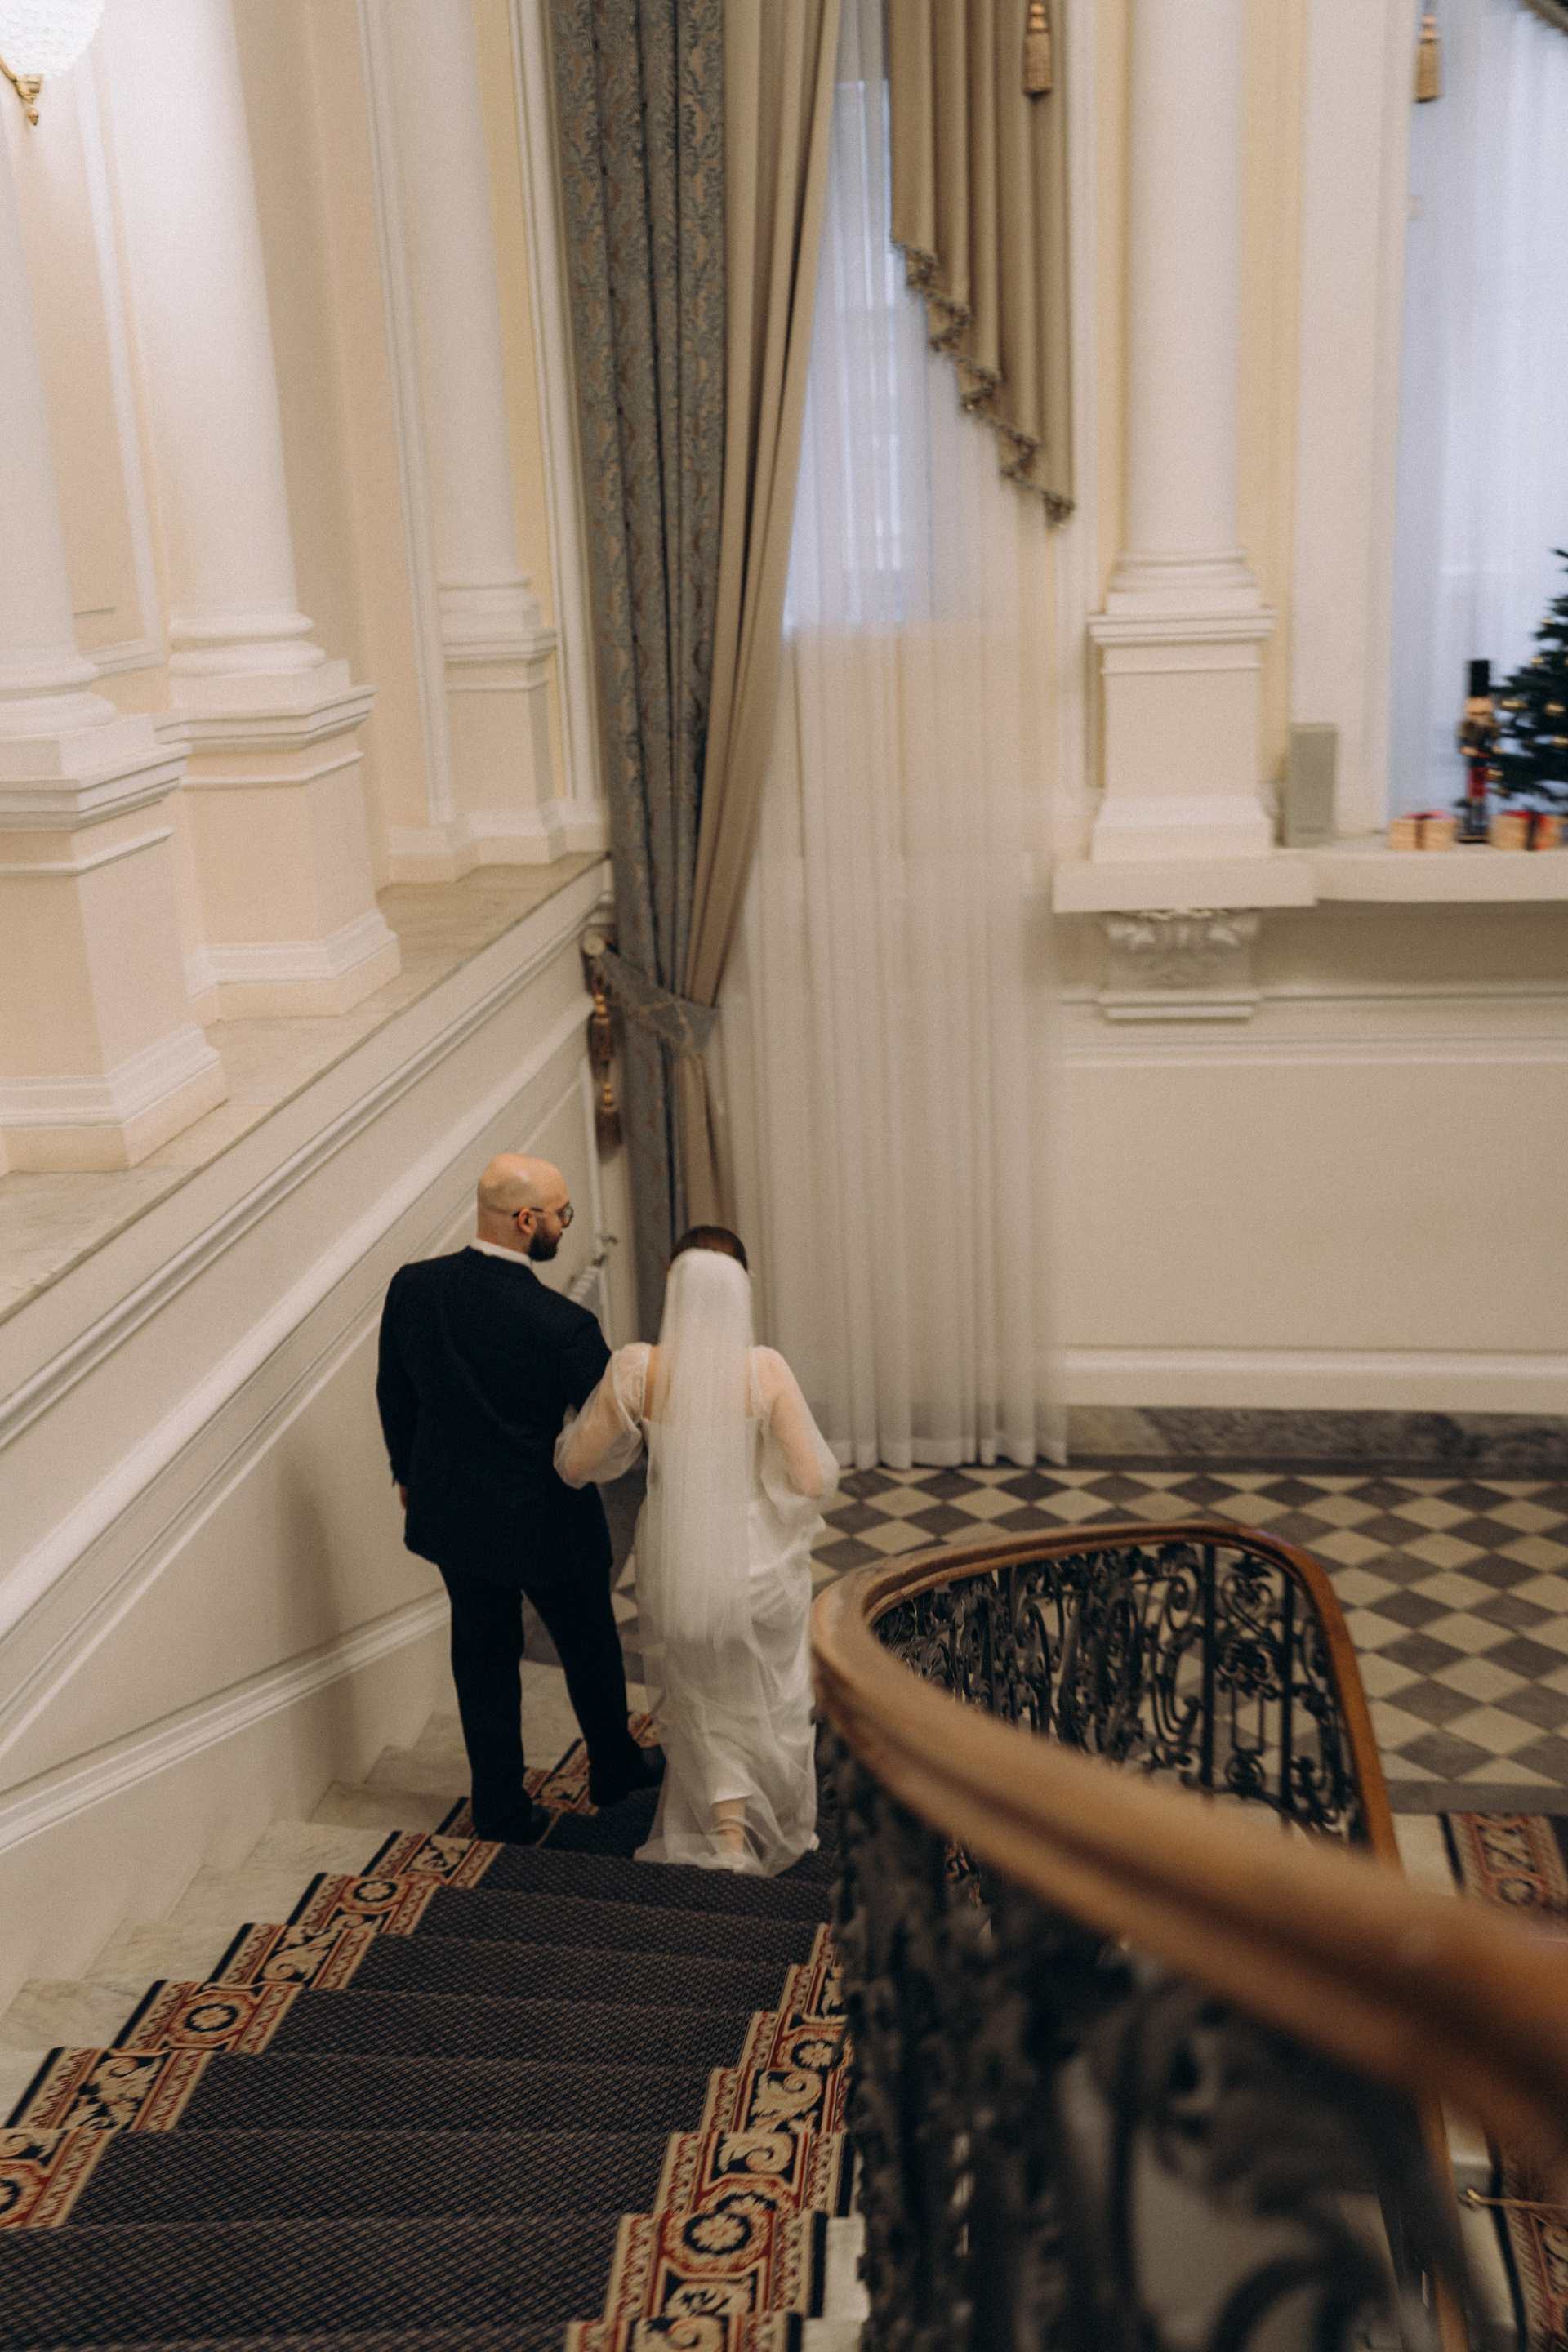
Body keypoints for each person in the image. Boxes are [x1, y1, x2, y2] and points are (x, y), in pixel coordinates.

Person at [376, 1153, 661, 1844]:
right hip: (547, 1518)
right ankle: (614, 1766)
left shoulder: (414, 1286)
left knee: (482, 1656)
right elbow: (604, 1428)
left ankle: (500, 1809)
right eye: (563, 1213)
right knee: (589, 1643)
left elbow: (394, 1390)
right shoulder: (563, 1324)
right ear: (526, 1220)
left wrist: (407, 1474)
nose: (567, 1224)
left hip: (454, 1513)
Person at [555, 1227, 837, 1876]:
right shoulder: (764, 1369)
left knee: (702, 1696)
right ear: (743, 1290)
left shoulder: (637, 1369)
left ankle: (729, 1839)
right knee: (765, 1694)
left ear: (673, 1286)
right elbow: (811, 1479)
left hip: (679, 1557)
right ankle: (778, 1820)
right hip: (759, 1563)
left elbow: (575, 1465)